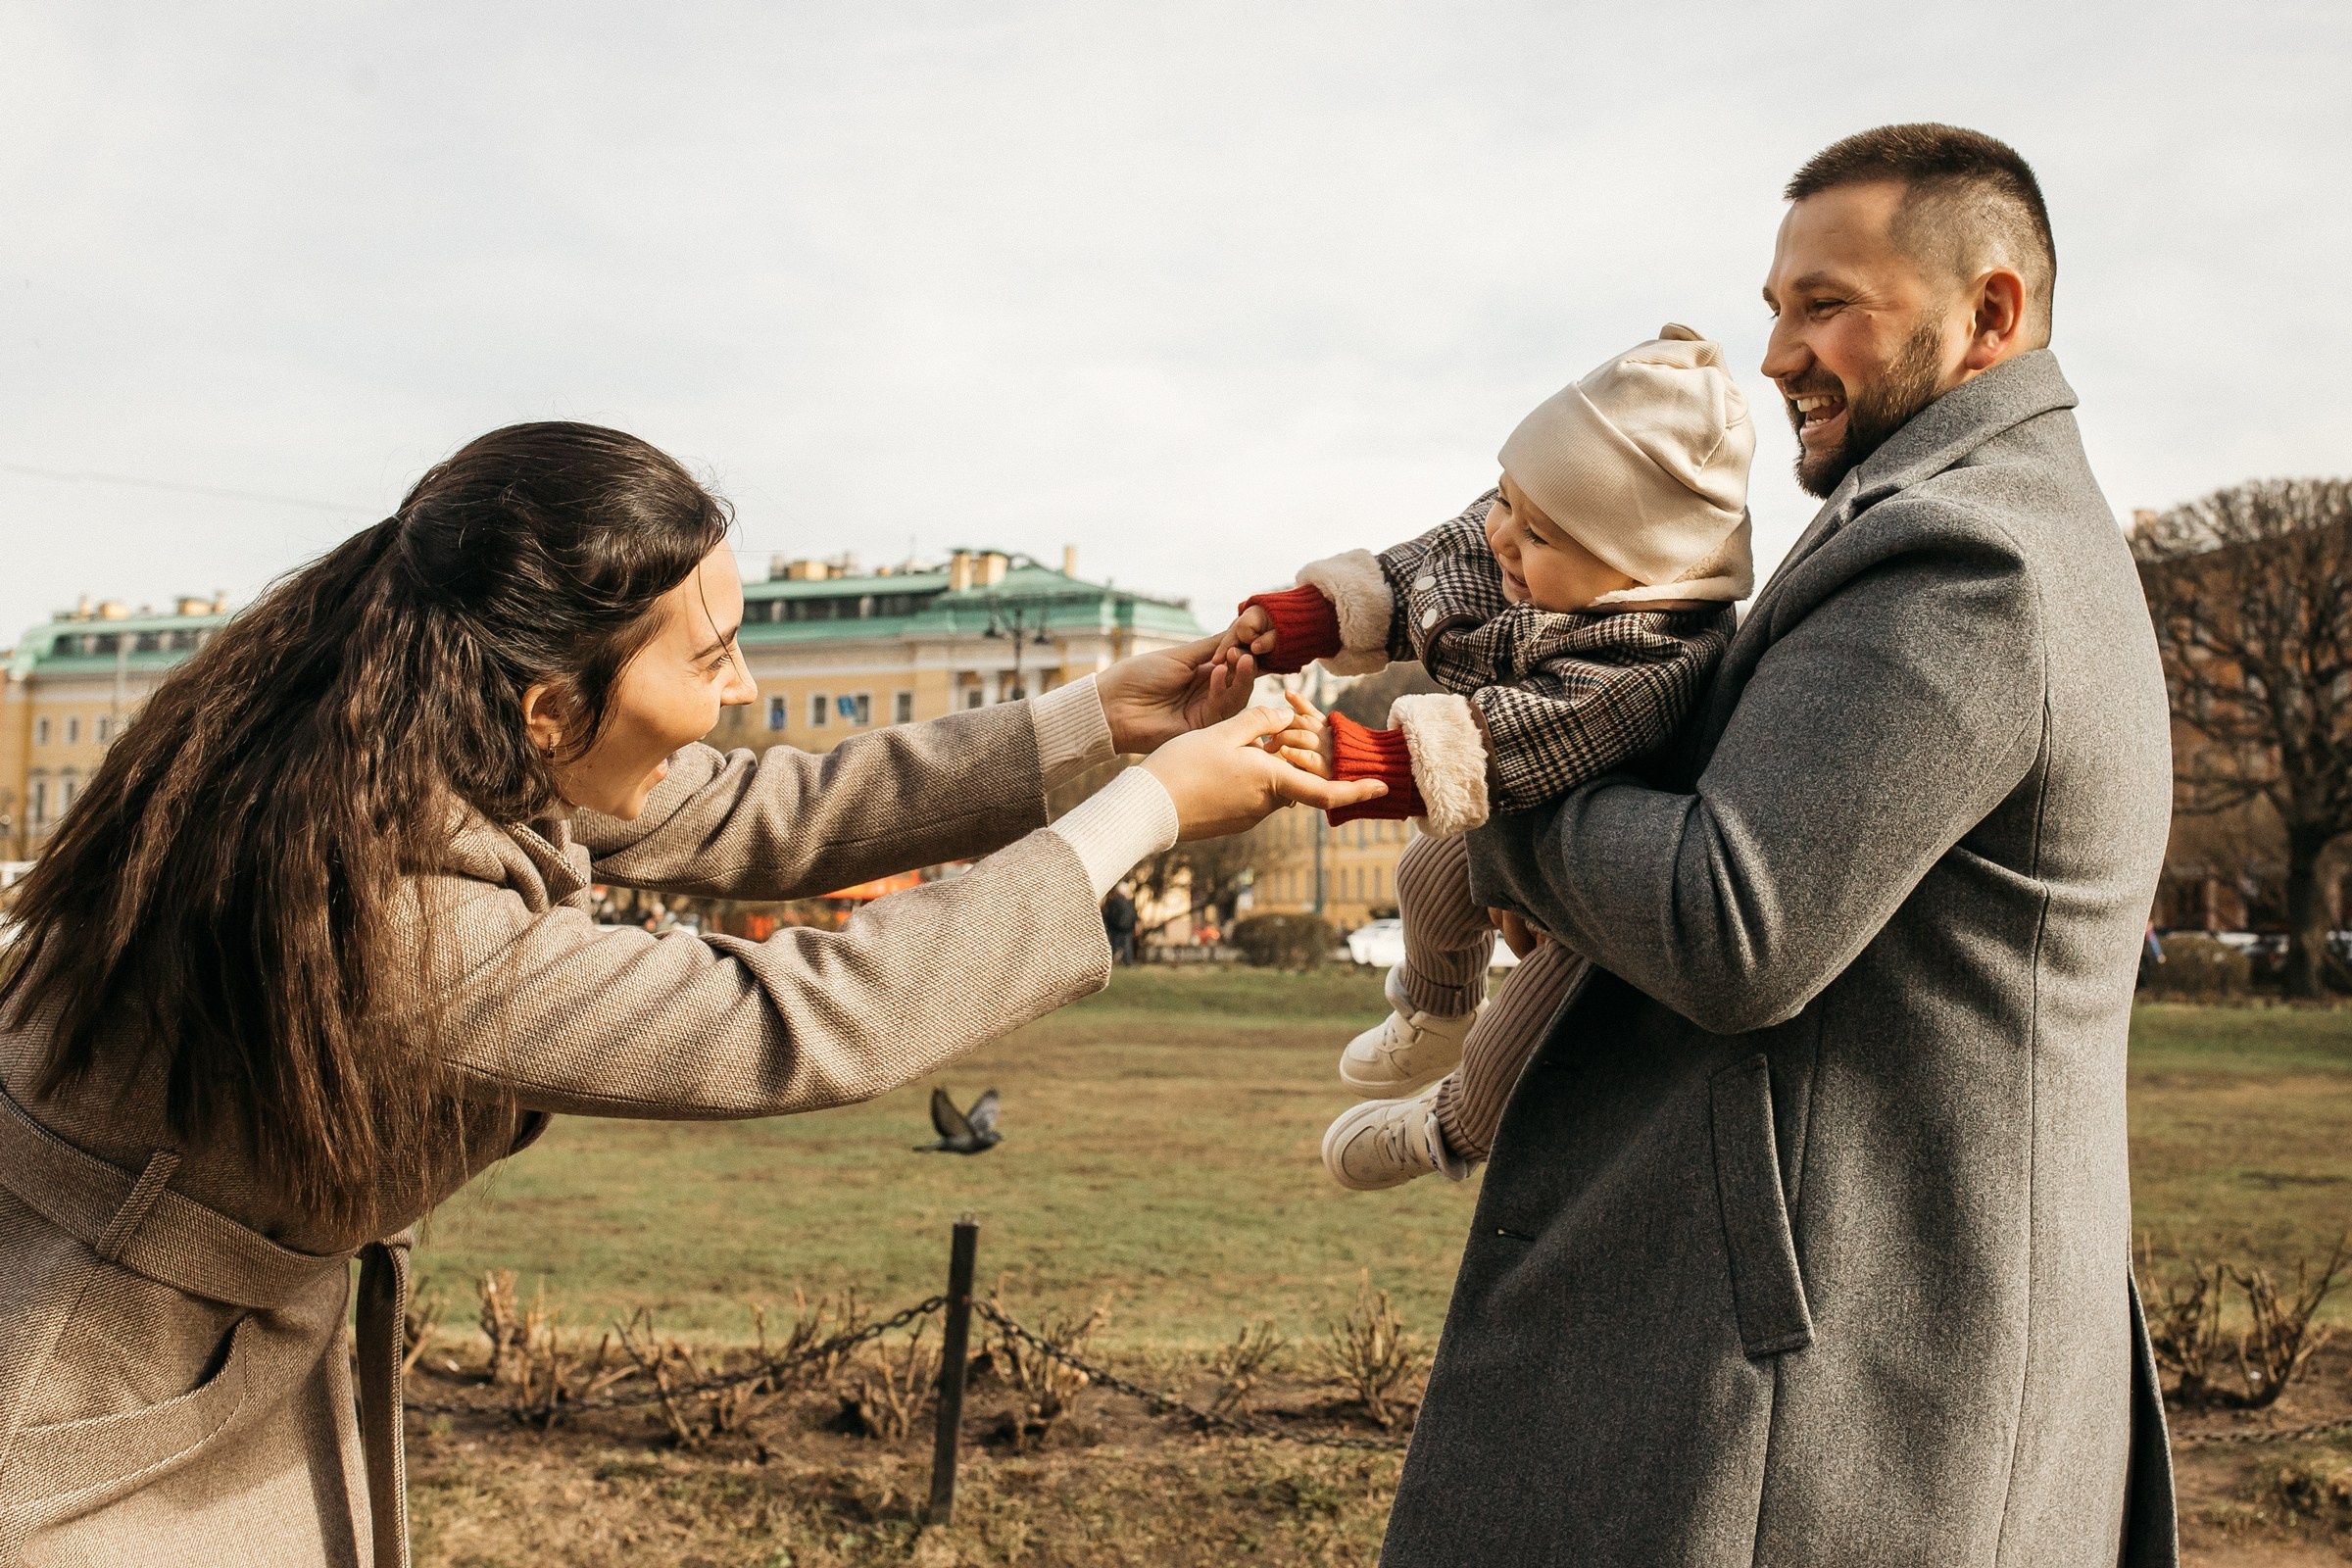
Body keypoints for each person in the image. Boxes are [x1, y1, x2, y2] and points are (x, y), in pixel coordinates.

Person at [0, 422, 1379, 1567]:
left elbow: (773, 808)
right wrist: (1139, 817)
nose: (744, 686)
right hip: (92, 1431)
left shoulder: (404, 744)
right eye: (711, 656)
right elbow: (793, 1021)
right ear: (551, 708)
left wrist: (1096, 725)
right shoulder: (365, 908)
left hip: (186, 1372)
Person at [1378, 125, 2178, 1564]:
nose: (1779, 354)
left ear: (1990, 312)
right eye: (1774, 308)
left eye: (1829, 306)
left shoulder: (1964, 556)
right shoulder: (1965, 520)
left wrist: (1483, 783)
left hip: (1823, 1403)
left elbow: (1729, 923)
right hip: (1848, 1359)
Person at [1216, 325, 1754, 1190]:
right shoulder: (1521, 534)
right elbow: (1436, 566)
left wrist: (1373, 755)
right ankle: (1434, 1008)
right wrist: (1311, 620)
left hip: (1615, 875)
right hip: (1515, 817)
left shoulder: (1652, 651)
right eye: (1504, 498)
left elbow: (1518, 736)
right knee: (1426, 877)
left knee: (1534, 1023)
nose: (1503, 536)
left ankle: (1454, 1125)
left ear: (1632, 572)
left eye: (1538, 536)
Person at [1102, 883, 1138, 963]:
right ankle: (1128, 961)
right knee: (1127, 946)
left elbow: (1110, 915)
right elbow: (1134, 916)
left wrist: (1109, 925)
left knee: (1114, 945)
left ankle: (1112, 960)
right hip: (1128, 928)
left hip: (1116, 928)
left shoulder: (1114, 902)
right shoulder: (1130, 903)